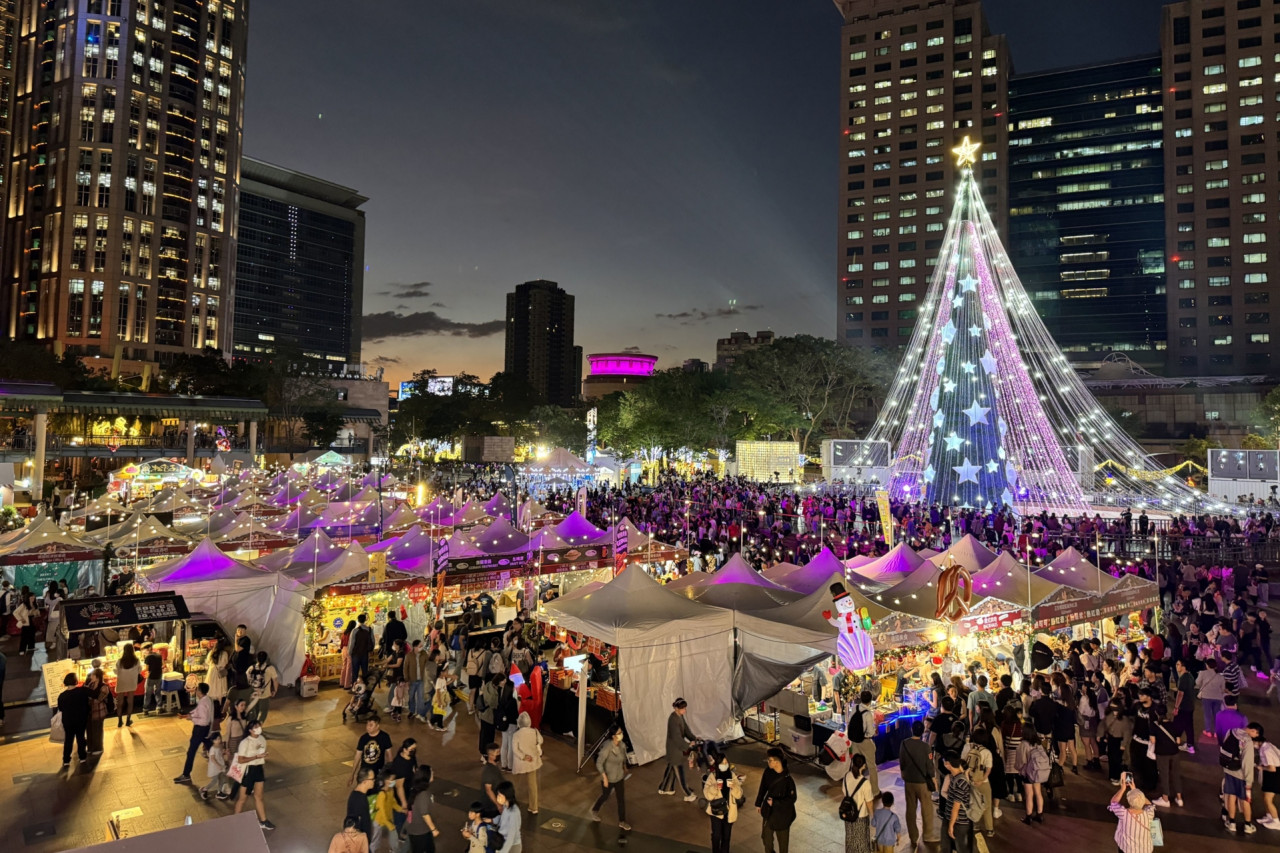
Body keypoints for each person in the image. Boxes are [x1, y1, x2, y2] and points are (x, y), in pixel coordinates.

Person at [898, 719, 936, 845]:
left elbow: (902, 761)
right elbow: (930, 766)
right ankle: (928, 835)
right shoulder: (926, 747)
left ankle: (913, 836)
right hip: (922, 783)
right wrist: (933, 779)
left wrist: (904, 773)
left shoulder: (904, 744)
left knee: (910, 809)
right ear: (923, 731)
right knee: (927, 809)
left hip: (909, 781)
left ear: (911, 730)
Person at [233, 718, 274, 830]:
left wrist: (262, 756)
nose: (258, 728)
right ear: (250, 730)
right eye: (255, 727)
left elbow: (261, 752)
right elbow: (240, 759)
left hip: (258, 769)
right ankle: (235, 820)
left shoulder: (262, 739)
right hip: (248, 771)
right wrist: (255, 757)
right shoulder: (245, 742)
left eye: (259, 726)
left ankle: (264, 821)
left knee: (259, 796)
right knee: (243, 798)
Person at [756, 747, 796, 853]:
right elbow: (763, 787)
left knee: (783, 845)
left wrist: (775, 803)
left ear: (777, 762)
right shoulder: (768, 772)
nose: (768, 762)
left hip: (782, 816)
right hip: (769, 812)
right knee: (766, 839)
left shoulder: (787, 779)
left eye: (770, 760)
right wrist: (758, 803)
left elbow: (792, 799)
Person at [591, 725, 631, 830]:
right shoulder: (607, 747)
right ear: (613, 736)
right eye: (619, 733)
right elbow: (599, 763)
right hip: (609, 778)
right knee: (605, 796)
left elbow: (623, 757)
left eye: (621, 732)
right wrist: (604, 777)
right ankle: (595, 809)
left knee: (621, 799)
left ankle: (622, 821)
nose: (621, 734)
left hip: (619, 777)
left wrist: (624, 767)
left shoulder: (622, 745)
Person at [1222, 714, 1257, 834]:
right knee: (1245, 799)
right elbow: (1247, 763)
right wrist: (1249, 781)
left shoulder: (1231, 732)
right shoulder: (1247, 741)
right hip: (1241, 775)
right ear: (1252, 730)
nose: (1255, 737)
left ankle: (1232, 823)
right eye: (1256, 734)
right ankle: (1248, 825)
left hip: (1228, 770)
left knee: (1231, 796)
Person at [660, 697, 699, 800]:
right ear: (676, 708)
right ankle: (687, 794)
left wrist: (694, 738)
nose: (684, 710)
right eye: (683, 708)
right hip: (674, 748)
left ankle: (665, 788)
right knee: (679, 771)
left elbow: (686, 730)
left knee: (671, 769)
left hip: (677, 747)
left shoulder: (680, 716)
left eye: (685, 708)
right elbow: (676, 737)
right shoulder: (672, 719)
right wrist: (688, 746)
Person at [704, 747, 742, 853]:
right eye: (722, 763)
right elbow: (707, 795)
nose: (725, 764)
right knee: (716, 835)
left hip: (729, 811)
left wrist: (734, 786)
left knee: (726, 836)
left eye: (726, 762)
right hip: (716, 811)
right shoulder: (713, 776)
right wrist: (715, 787)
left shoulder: (732, 775)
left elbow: (739, 795)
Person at [174, 683, 214, 783]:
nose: (196, 691)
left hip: (200, 730)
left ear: (199, 691)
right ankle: (220, 765)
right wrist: (190, 715)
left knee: (191, 751)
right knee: (211, 748)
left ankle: (186, 774)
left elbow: (203, 720)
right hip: (206, 729)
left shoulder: (203, 703)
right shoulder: (208, 700)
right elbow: (202, 713)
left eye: (197, 689)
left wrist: (192, 718)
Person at [1108, 775, 1155, 853]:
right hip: (1145, 850)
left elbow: (1113, 802)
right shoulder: (1149, 814)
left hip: (1127, 849)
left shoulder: (1124, 814)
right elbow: (1149, 805)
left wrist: (1122, 789)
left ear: (1129, 801)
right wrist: (1135, 790)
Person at [848, 689, 881, 796]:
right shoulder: (868, 714)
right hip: (865, 741)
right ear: (870, 700)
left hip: (854, 741)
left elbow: (849, 721)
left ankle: (854, 788)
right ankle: (875, 791)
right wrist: (876, 726)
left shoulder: (855, 707)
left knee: (856, 765)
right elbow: (871, 732)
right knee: (872, 767)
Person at [510, 711, 543, 815]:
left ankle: (511, 803)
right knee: (533, 785)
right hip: (532, 762)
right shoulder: (535, 731)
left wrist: (524, 757)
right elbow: (541, 740)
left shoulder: (516, 735)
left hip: (520, 763)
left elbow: (515, 749)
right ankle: (534, 807)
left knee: (515, 783)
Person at [842, 751, 875, 853]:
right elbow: (869, 803)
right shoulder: (865, 783)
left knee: (850, 838)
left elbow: (844, 792)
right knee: (861, 842)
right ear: (863, 765)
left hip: (848, 814)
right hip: (860, 816)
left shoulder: (846, 776)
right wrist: (872, 816)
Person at [1014, 730, 1050, 825]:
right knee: (1038, 793)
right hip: (1038, 771)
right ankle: (1040, 814)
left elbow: (1021, 761)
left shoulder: (1023, 744)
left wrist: (1018, 769)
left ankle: (1028, 816)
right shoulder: (1038, 743)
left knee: (1029, 794)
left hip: (1028, 772)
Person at [939, 751, 972, 853]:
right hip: (949, 817)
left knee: (962, 848)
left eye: (944, 762)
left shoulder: (961, 781)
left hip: (959, 822)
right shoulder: (954, 777)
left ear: (948, 764)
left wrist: (951, 825)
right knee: (946, 847)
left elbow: (956, 806)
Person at [56, 671, 91, 766]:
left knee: (68, 739)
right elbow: (87, 704)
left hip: (68, 721)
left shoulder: (62, 696)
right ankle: (82, 757)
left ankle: (66, 760)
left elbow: (61, 708)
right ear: (75, 681)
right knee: (80, 737)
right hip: (81, 719)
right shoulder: (82, 692)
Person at [1250, 722, 1280, 830]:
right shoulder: (1266, 746)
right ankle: (1269, 816)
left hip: (1274, 776)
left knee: (1268, 799)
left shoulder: (1266, 750)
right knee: (1265, 797)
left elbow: (1272, 768)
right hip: (1271, 775)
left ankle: (1276, 821)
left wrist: (1261, 767)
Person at [405, 764, 441, 852]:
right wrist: (434, 829)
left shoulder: (416, 789)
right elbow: (425, 814)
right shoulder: (423, 794)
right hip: (420, 831)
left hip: (416, 829)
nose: (433, 773)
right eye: (431, 771)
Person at [352, 716, 393, 785]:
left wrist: (390, 771)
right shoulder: (363, 738)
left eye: (371, 725)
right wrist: (352, 774)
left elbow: (389, 755)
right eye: (367, 725)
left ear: (377, 726)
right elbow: (358, 755)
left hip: (377, 771)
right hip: (365, 771)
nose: (368, 727)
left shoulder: (384, 737)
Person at [245, 650, 279, 724]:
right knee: (263, 712)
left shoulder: (251, 668)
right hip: (264, 694)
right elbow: (275, 680)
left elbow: (247, 679)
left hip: (253, 694)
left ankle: (252, 726)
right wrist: (275, 690)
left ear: (256, 659)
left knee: (254, 713)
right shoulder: (270, 668)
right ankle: (258, 727)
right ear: (266, 659)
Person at [84, 668, 112, 756]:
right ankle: (90, 747)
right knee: (89, 729)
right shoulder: (91, 684)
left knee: (97, 730)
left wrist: (89, 696)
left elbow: (99, 699)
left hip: (99, 711)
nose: (91, 676)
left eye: (92, 675)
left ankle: (98, 747)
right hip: (90, 712)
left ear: (97, 677)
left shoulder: (104, 687)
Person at [492, 780, 522, 853]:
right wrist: (492, 820)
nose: (498, 797)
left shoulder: (514, 813)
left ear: (507, 795)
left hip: (512, 847)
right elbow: (503, 819)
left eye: (500, 795)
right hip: (503, 842)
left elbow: (511, 837)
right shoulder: (506, 806)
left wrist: (502, 852)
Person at [347, 767, 377, 839]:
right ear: (365, 781)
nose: (374, 781)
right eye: (372, 779)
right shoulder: (358, 800)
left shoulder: (360, 795)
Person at [481, 742, 505, 817]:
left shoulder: (495, 766)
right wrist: (498, 805)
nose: (499, 754)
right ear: (490, 755)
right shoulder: (488, 771)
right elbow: (488, 790)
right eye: (497, 752)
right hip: (491, 807)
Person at [349, 614, 374, 687]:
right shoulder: (369, 629)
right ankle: (365, 686)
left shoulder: (355, 630)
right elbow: (373, 641)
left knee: (355, 671)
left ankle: (354, 686)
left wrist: (350, 652)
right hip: (365, 653)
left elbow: (352, 643)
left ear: (358, 620)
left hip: (356, 653)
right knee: (365, 671)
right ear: (365, 620)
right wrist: (371, 650)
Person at [142, 643, 164, 714]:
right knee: (158, 692)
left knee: (148, 694)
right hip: (159, 676)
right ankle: (159, 707)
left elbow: (146, 669)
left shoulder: (148, 657)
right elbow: (162, 665)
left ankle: (145, 709)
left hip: (151, 677)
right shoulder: (159, 655)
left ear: (148, 649)